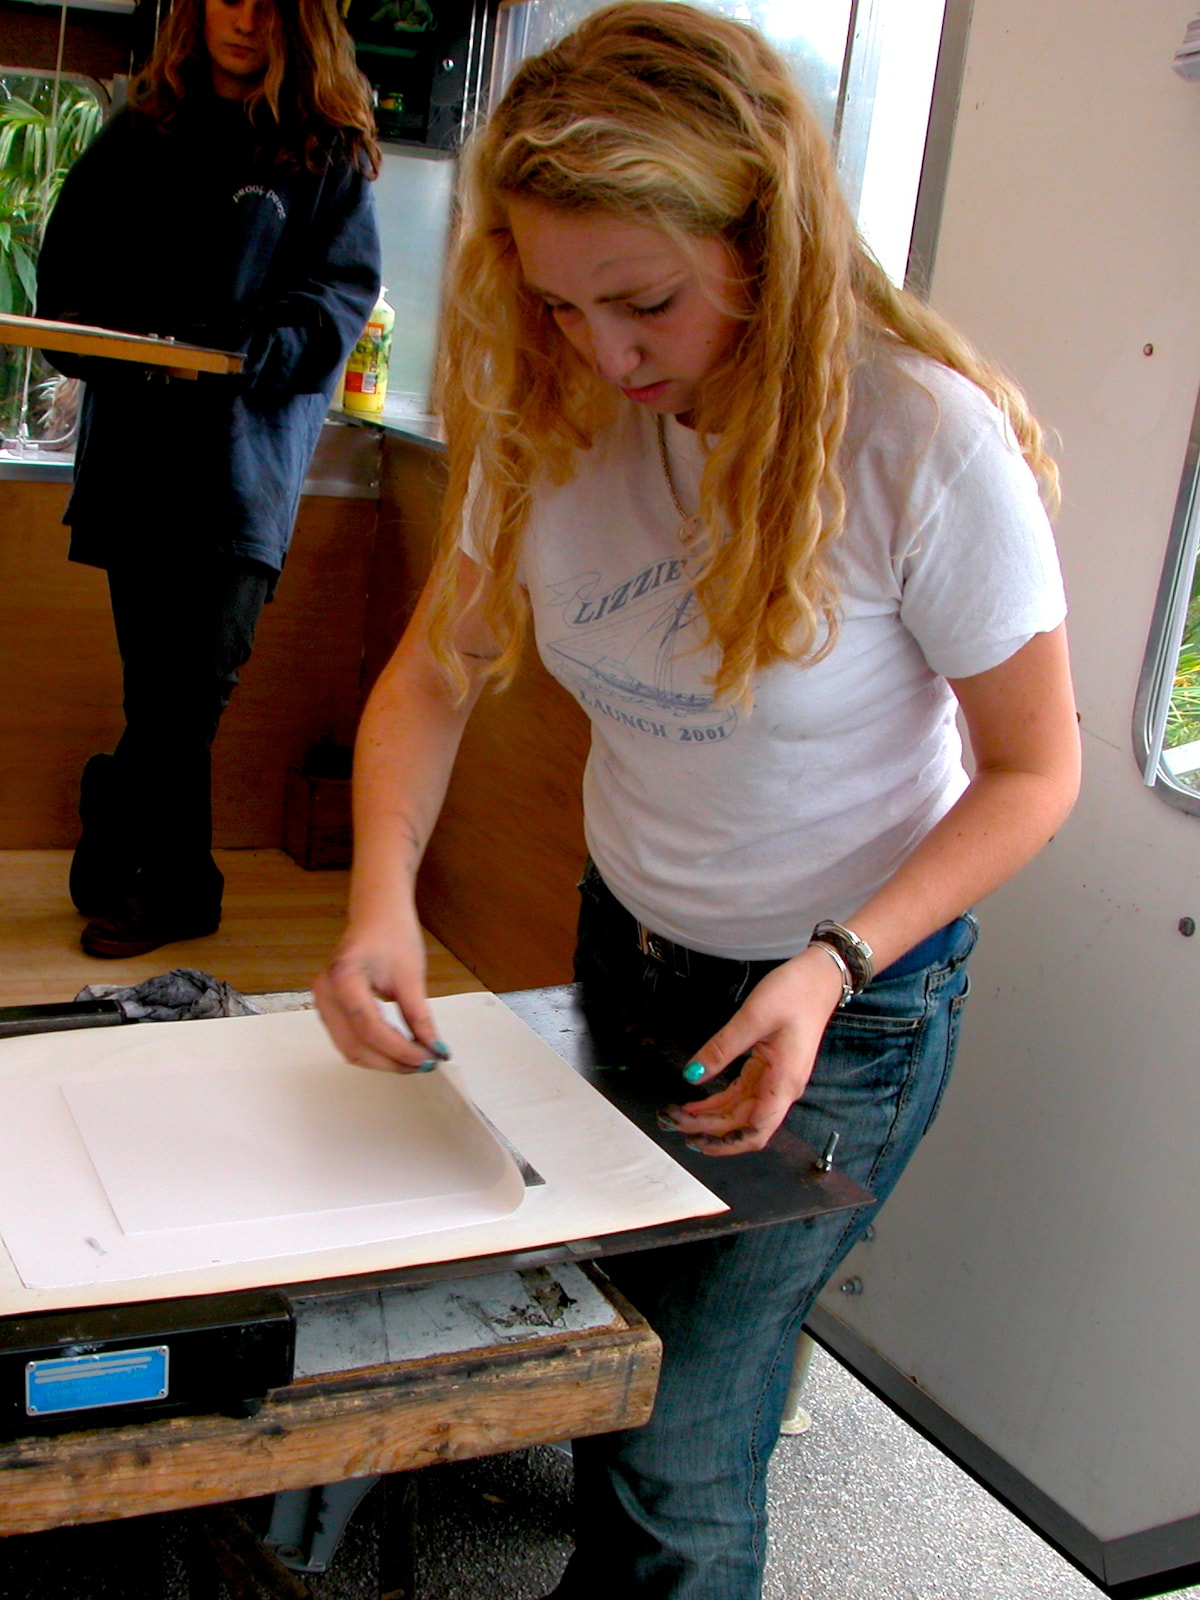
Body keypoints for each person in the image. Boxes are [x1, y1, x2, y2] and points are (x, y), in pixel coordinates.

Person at [313, 4, 1081, 1596]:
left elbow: (1035, 770)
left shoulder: (920, 442)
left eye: (646, 302)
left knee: (679, 1440)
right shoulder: (556, 401)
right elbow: (436, 676)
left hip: (848, 1000)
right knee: (630, 1333)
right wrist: (380, 896)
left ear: (764, 241)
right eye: (559, 302)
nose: (605, 355)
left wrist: (832, 965)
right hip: (632, 944)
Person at [36, 0, 382, 958]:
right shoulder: (138, 134)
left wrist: (249, 346)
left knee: (194, 689)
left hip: (242, 469)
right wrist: (128, 338)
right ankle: (164, 866)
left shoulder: (328, 154)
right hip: (136, 463)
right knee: (159, 692)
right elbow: (65, 284)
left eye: (270, 1)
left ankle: (148, 844)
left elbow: (336, 303)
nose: (246, 18)